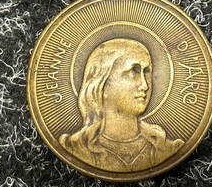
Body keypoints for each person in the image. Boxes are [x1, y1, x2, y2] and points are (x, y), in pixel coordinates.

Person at [60, 38, 184, 172]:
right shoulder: (75, 147)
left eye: (146, 71)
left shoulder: (164, 147)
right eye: (134, 71)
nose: (145, 85)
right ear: (102, 85)